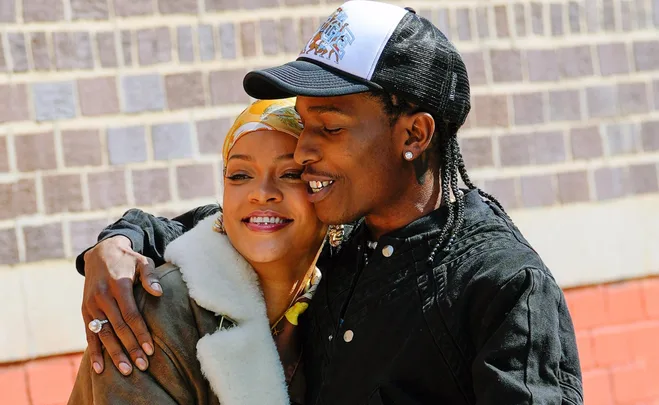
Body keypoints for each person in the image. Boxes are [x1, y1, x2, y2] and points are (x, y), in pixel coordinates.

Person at [77, 2, 584, 404]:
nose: (304, 148)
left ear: (414, 132)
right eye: (304, 123)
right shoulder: (341, 237)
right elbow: (233, 222)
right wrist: (120, 242)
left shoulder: (503, 287)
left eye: (331, 127)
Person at [69, 99, 328, 405]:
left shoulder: (353, 281)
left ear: (326, 188)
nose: (261, 193)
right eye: (241, 175)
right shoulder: (156, 312)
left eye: (290, 174)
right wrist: (116, 240)